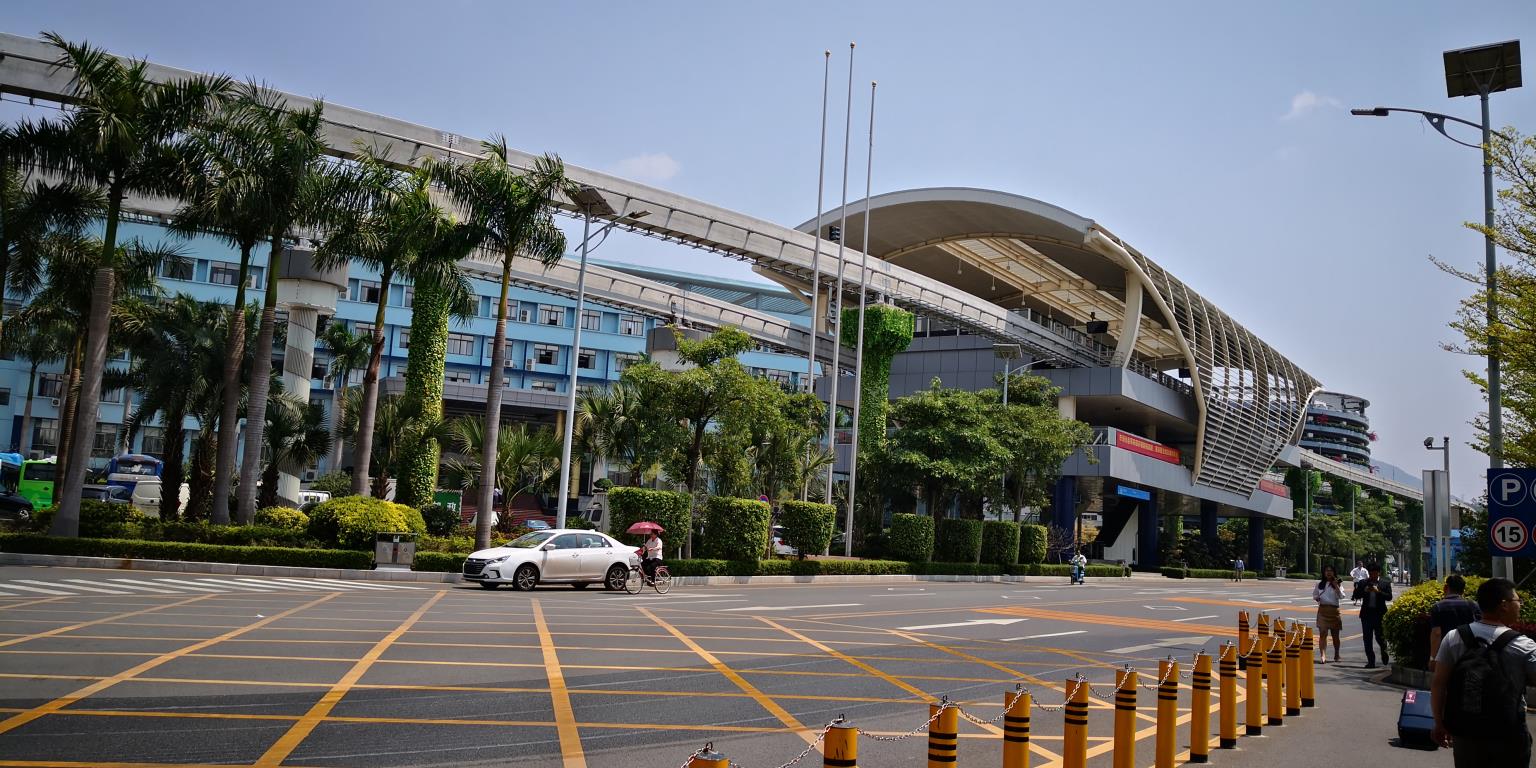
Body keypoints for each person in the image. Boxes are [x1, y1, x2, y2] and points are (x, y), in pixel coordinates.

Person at [1431, 578, 1536, 767]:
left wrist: (1439, 723)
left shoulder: (1454, 637)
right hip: (1508, 734)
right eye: (1517, 600)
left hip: (1466, 733)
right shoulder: (1523, 645)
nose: (1520, 605)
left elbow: (1439, 684)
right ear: (1504, 605)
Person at [1428, 574, 1481, 671]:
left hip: (1446, 652)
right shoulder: (1473, 605)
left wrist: (1433, 658)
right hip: (1469, 654)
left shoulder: (1438, 607)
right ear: (1463, 590)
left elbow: (1436, 633)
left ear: (1445, 588)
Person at [1356, 562, 1392, 668]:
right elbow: (1356, 595)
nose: (1373, 576)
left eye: (1375, 573)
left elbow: (1389, 597)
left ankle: (1384, 651)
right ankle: (1371, 661)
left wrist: (1378, 591)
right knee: (1367, 639)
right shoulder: (1363, 583)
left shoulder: (1385, 583)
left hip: (1380, 614)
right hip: (1366, 615)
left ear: (1378, 573)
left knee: (1380, 637)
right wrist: (1364, 591)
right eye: (1371, 574)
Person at [1312, 565, 1344, 663]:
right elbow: (1315, 595)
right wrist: (1317, 598)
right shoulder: (1319, 584)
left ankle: (1337, 654)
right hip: (1323, 610)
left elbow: (1341, 596)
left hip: (1334, 611)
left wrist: (1336, 586)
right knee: (1323, 633)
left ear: (1334, 573)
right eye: (1326, 571)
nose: (1328, 572)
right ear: (1324, 572)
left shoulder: (1338, 584)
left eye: (1331, 571)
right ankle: (1323, 655)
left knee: (1335, 635)